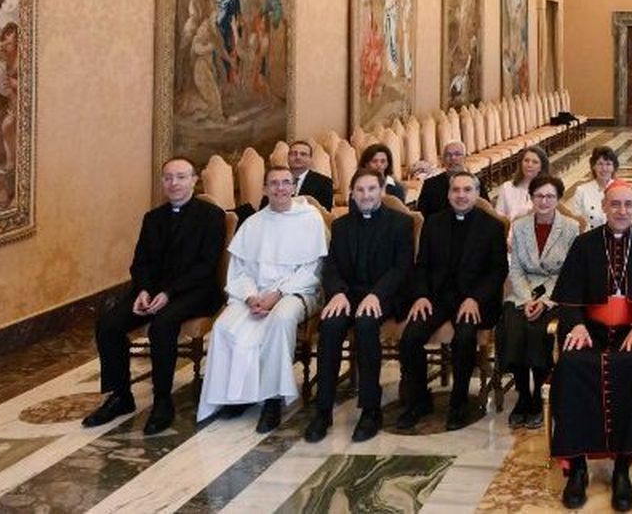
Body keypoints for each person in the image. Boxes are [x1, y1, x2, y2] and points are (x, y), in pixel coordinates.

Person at [550, 180, 632, 511]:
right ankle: (577, 468)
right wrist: (576, 324)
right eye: (615, 204)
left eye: (628, 205)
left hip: (631, 331)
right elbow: (568, 297)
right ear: (604, 207)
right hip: (590, 330)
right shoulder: (584, 245)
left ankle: (622, 468)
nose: (622, 211)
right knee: (571, 366)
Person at [85, 157, 226, 435]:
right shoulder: (153, 218)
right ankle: (120, 395)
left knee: (162, 325)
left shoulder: (212, 217)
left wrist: (168, 293)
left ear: (194, 180)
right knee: (109, 324)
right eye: (168, 178)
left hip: (196, 291)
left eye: (181, 177)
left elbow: (206, 266)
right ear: (162, 182)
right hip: (152, 292)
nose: (174, 183)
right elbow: (140, 262)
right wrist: (144, 290)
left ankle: (163, 400)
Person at [197, 165, 326, 431]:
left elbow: (313, 269)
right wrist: (249, 296)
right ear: (265, 189)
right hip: (254, 293)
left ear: (293, 187)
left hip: (298, 291)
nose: (280, 188)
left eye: (286, 183)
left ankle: (271, 398)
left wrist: (277, 294)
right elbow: (239, 269)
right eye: (274, 183)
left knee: (280, 319)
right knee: (223, 326)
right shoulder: (253, 223)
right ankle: (232, 396)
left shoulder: (310, 218)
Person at [305, 169, 413, 443]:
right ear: (352, 194)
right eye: (360, 190)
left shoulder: (401, 223)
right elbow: (331, 268)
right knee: (330, 327)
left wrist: (377, 294)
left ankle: (370, 409)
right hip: (349, 294)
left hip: (385, 296)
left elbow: (401, 269)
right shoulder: (341, 226)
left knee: (365, 326)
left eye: (371, 189)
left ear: (382, 192)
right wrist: (338, 293)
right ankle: (323, 409)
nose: (366, 195)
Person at [396, 171, 508, 431]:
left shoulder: (492, 227)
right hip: (437, 297)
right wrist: (422, 296)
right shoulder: (433, 223)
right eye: (456, 190)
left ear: (477, 193)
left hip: (473, 299)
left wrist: (475, 299)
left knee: (465, 337)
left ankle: (458, 403)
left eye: (467, 190)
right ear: (448, 194)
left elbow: (497, 272)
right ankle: (418, 400)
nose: (461, 195)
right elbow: (421, 265)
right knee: (411, 337)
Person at [502, 174, 578, 429]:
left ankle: (539, 397)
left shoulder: (570, 228)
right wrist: (526, 301)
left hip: (554, 295)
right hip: (523, 292)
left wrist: (544, 302)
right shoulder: (520, 225)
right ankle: (523, 396)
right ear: (531, 197)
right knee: (513, 327)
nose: (544, 201)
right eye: (539, 196)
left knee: (538, 332)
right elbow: (516, 269)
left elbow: (569, 272)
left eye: (550, 196)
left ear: (558, 199)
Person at [568, 146, 619, 230]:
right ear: (593, 166)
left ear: (614, 167)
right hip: (590, 238)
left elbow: (628, 221)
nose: (604, 169)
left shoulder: (622, 190)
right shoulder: (581, 191)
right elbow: (575, 221)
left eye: (608, 164)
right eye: (600, 164)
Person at [495, 145, 549, 220]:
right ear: (521, 163)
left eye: (535, 162)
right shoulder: (507, 187)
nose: (529, 165)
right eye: (526, 160)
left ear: (541, 167)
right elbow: (498, 218)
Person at [415, 141, 468, 216]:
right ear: (443, 160)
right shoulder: (430, 185)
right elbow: (422, 217)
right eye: (448, 155)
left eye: (457, 154)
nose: (453, 158)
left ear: (465, 158)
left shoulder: (476, 183)